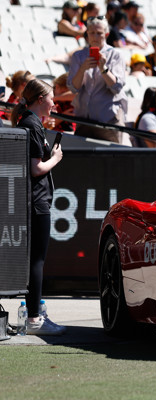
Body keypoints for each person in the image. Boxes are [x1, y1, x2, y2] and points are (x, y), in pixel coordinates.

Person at [10, 79, 65, 336]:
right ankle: (34, 319)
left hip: (36, 201)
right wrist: (55, 158)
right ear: (40, 99)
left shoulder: (32, 124)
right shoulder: (31, 125)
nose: (54, 103)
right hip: (36, 202)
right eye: (52, 98)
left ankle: (33, 313)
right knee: (37, 261)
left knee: (35, 260)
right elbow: (36, 169)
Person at [67, 17, 128, 144]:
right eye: (92, 33)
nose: (95, 36)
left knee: (111, 159)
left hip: (108, 120)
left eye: (99, 33)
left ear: (106, 34)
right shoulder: (78, 56)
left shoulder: (115, 55)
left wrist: (103, 68)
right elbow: (73, 88)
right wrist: (83, 68)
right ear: (87, 34)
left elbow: (116, 87)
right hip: (84, 119)